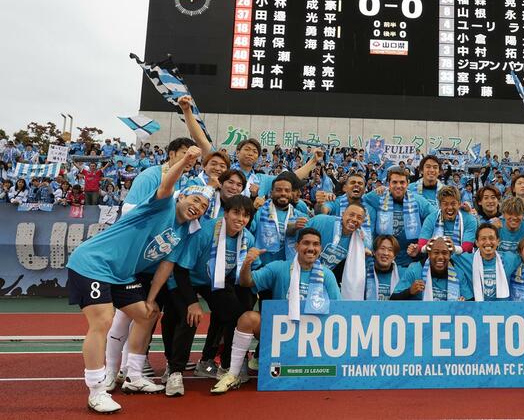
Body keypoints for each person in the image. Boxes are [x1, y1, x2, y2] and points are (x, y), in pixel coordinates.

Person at [66, 147, 207, 413]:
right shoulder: (162, 205)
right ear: (182, 197)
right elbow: (166, 187)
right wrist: (186, 161)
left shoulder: (182, 233)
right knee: (103, 321)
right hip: (93, 263)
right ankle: (97, 390)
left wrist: (152, 298)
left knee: (146, 314)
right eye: (195, 200)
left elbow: (165, 267)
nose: (197, 207)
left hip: (122, 275)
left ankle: (134, 376)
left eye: (203, 207)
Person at [211, 227, 341, 394]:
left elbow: (339, 310)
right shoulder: (279, 268)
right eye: (306, 243)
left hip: (312, 337)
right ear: (296, 246)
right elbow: (246, 282)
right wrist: (247, 264)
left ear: (320, 248)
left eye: (316, 244)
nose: (311, 248)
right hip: (281, 333)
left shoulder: (327, 275)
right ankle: (233, 374)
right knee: (248, 318)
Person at [159, 195, 255, 396]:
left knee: (236, 315)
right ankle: (175, 370)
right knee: (189, 317)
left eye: (246, 215)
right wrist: (193, 303)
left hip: (213, 281)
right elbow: (181, 270)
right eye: (236, 213)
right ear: (226, 214)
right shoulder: (204, 232)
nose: (241, 219)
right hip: (184, 278)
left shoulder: (248, 238)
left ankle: (227, 366)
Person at [362, 166, 433, 268]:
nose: (398, 186)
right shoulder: (379, 196)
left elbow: (435, 216)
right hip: (382, 258)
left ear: (407, 183)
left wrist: (423, 241)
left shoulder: (417, 200)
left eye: (402, 182)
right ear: (388, 184)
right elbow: (358, 200)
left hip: (409, 259)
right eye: (394, 182)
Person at [305, 202, 371, 297]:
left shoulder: (360, 241)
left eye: (359, 218)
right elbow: (299, 239)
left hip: (325, 279)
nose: (354, 219)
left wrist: (361, 251)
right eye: (351, 215)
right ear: (343, 214)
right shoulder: (321, 221)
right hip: (304, 271)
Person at [453, 223, 521, 301]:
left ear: (498, 241)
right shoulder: (466, 259)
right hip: (476, 309)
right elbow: (447, 256)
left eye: (491, 238)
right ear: (477, 243)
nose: (488, 242)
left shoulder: (509, 258)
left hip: (502, 309)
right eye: (483, 239)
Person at [392, 236, 473, 301]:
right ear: (429, 254)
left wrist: (464, 305)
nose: (440, 257)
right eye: (436, 252)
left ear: (450, 255)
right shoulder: (415, 269)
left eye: (444, 253)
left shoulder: (458, 273)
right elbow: (392, 300)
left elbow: (470, 303)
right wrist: (410, 291)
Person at [417, 185, 478, 254]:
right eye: (445, 204)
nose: (449, 207)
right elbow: (422, 245)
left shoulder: (469, 219)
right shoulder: (431, 218)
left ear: (459, 204)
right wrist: (425, 247)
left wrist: (453, 249)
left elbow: (468, 248)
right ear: (439, 205)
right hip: (435, 261)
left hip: (461, 261)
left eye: (453, 203)